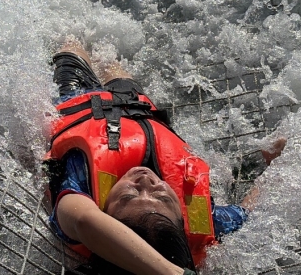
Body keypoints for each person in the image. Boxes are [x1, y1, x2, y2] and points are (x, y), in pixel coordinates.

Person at [45, 39, 284, 275]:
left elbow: (86, 222)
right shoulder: (206, 220)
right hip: (134, 105)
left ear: (106, 211)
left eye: (130, 195)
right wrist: (275, 164)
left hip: (77, 101)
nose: (147, 182)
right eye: (163, 196)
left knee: (72, 45)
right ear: (182, 217)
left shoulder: (79, 193)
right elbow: (249, 211)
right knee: (111, 64)